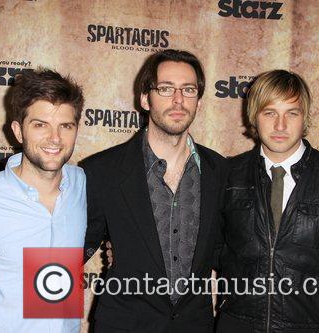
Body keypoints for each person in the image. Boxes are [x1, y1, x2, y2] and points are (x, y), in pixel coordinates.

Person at [216, 70, 319, 332]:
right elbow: (207, 255)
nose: (280, 125)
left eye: (292, 113)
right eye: (270, 113)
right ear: (254, 116)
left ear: (305, 118)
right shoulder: (226, 176)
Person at [81, 49, 228, 332]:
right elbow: (69, 250)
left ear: (198, 101)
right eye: (165, 88)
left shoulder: (220, 172)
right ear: (145, 99)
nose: (178, 100)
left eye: (188, 89)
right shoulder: (102, 171)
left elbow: (228, 250)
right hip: (124, 325)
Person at [0, 68, 86, 332]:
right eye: (40, 125)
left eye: (65, 126)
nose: (55, 138)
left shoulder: (84, 184)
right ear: (18, 130)